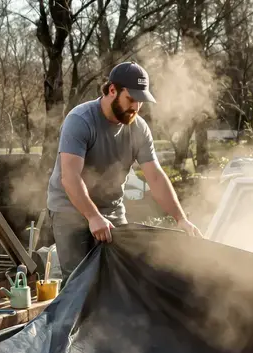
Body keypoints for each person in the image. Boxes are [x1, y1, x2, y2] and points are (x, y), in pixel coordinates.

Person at [46, 62, 201, 281]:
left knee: (122, 276)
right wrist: (93, 217)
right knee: (79, 280)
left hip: (112, 209)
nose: (136, 107)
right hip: (70, 209)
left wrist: (181, 219)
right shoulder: (80, 120)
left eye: (141, 101)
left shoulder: (139, 128)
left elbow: (155, 177)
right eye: (131, 99)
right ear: (112, 90)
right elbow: (70, 177)